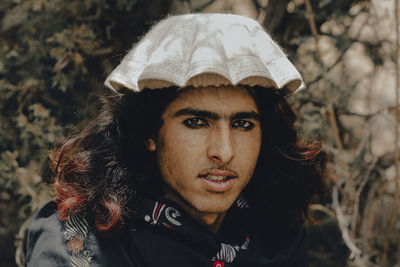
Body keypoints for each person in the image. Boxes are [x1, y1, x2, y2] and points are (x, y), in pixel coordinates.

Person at [26, 13, 327, 267]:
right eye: (196, 122)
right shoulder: (82, 240)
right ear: (148, 133)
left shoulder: (276, 231)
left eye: (243, 124)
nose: (224, 152)